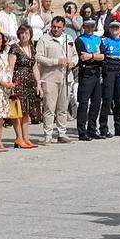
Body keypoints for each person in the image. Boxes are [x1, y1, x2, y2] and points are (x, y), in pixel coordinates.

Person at [33, 16, 74, 144]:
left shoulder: (69, 38)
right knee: (49, 107)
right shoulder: (44, 39)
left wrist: (73, 63)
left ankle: (62, 133)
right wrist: (56, 61)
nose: (56, 29)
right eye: (54, 27)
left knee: (63, 107)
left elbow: (75, 55)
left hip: (66, 77)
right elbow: (38, 57)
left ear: (64, 28)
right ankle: (48, 134)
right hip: (50, 77)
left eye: (59, 27)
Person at [8, 24, 43, 150]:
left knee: (27, 111)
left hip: (29, 83)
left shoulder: (32, 48)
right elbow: (11, 67)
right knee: (17, 111)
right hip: (18, 81)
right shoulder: (14, 48)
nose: (24, 35)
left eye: (26, 33)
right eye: (22, 33)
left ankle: (26, 137)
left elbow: (34, 67)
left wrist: (38, 83)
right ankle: (19, 138)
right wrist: (10, 83)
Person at [75, 18, 108, 139]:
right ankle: (82, 131)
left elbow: (103, 56)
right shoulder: (80, 40)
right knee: (84, 103)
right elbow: (83, 57)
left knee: (96, 103)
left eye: (92, 26)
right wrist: (96, 55)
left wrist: (92, 55)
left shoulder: (98, 39)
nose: (89, 28)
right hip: (86, 73)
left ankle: (92, 129)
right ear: (84, 27)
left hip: (97, 73)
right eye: (87, 26)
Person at [100, 20, 120, 137]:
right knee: (107, 100)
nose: (114, 30)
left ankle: (119, 127)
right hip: (109, 72)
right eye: (112, 27)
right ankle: (103, 128)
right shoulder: (104, 41)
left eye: (117, 28)